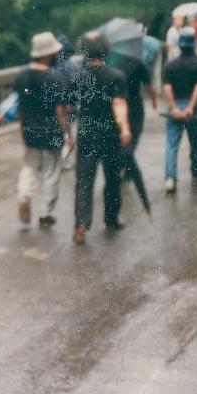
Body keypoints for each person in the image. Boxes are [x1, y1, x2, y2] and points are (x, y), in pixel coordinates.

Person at [65, 32, 132, 245]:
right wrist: (124, 129)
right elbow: (119, 104)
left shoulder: (78, 76)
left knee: (84, 180)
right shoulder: (116, 76)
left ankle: (81, 223)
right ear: (107, 50)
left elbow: (70, 105)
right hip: (110, 133)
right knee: (112, 178)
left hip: (87, 132)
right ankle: (111, 218)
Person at [12, 32, 72, 229]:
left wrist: (22, 128)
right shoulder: (54, 77)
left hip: (29, 129)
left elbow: (19, 105)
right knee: (52, 172)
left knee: (29, 166)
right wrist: (68, 133)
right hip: (52, 131)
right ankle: (45, 213)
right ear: (48, 54)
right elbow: (60, 110)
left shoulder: (21, 75)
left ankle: (24, 195)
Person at [162, 29, 197, 194]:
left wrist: (174, 107)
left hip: (174, 108)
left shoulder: (169, 65)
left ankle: (170, 179)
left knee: (172, 144)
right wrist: (190, 107)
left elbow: (167, 88)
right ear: (194, 45)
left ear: (180, 46)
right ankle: (195, 173)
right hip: (192, 109)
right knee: (195, 142)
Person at [112, 54, 157, 182]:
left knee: (121, 133)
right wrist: (154, 99)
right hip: (135, 102)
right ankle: (127, 162)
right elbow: (148, 83)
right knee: (135, 132)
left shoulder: (115, 62)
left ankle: (122, 162)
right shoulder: (138, 62)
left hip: (119, 101)